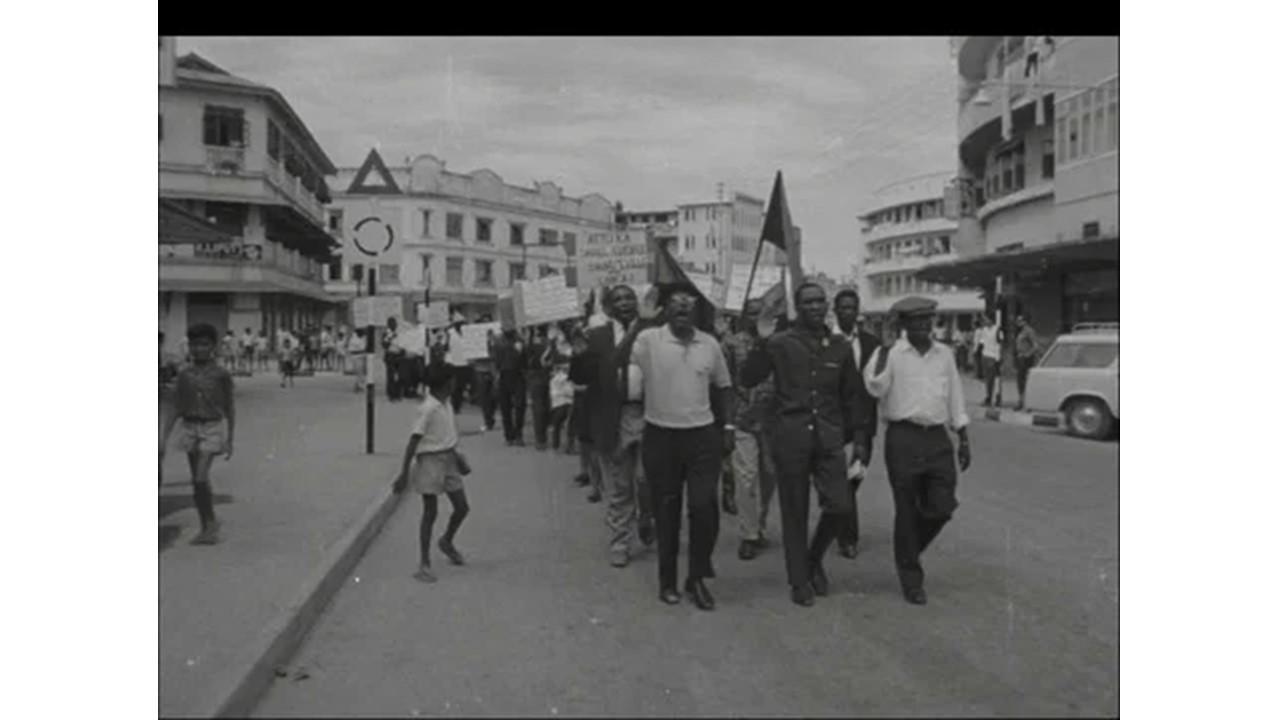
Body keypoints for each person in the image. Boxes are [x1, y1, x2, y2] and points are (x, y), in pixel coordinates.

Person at [741, 283, 870, 607]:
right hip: (791, 437)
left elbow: (853, 397)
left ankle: (813, 559)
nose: (815, 307)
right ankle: (799, 580)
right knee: (794, 512)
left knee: (840, 506)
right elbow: (748, 377)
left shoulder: (839, 346)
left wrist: (861, 441)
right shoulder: (781, 343)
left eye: (819, 301)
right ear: (798, 308)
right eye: (808, 302)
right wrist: (762, 338)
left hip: (829, 439)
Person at [628, 286, 734, 610]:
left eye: (688, 304)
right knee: (667, 512)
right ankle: (668, 580)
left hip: (702, 436)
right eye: (675, 304)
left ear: (697, 311)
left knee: (704, 508)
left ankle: (697, 577)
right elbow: (622, 363)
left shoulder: (710, 344)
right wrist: (640, 322)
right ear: (665, 311)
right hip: (662, 436)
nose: (682, 308)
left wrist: (727, 426)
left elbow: (724, 388)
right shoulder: (649, 341)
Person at [863, 296, 972, 606]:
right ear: (904, 325)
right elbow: (874, 387)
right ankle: (911, 578)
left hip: (937, 438)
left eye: (928, 319)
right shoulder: (891, 354)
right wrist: (884, 348)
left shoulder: (945, 355)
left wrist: (963, 437)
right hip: (903, 437)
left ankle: (907, 552)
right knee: (907, 510)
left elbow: (955, 397)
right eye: (916, 320)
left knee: (943, 506)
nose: (924, 325)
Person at [571, 285, 656, 565]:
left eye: (629, 297)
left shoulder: (654, 332)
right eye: (617, 299)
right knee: (619, 484)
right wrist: (580, 355)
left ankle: (647, 516)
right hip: (613, 417)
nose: (624, 303)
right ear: (608, 307)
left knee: (647, 479)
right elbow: (582, 378)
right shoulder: (596, 337)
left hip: (649, 413)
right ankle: (620, 541)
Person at [392, 366, 472, 583]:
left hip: (449, 458)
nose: (455, 383)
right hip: (430, 461)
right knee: (430, 512)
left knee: (462, 507)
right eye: (453, 380)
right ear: (446, 383)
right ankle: (424, 563)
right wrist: (403, 473)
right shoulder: (427, 409)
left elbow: (448, 434)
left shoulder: (447, 404)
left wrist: (458, 458)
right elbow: (413, 441)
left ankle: (446, 541)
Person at [160, 324, 235, 545]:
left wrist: (230, 438)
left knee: (201, 476)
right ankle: (208, 523)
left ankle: (210, 524)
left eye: (204, 344)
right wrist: (164, 437)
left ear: (213, 346)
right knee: (197, 481)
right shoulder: (185, 375)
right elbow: (175, 406)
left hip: (211, 427)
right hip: (190, 428)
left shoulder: (221, 374)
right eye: (195, 344)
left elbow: (230, 407)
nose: (199, 349)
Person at [721, 298, 778, 562]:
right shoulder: (731, 344)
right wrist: (726, 423)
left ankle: (761, 524)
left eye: (761, 314)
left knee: (769, 476)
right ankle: (749, 534)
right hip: (742, 418)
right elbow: (724, 384)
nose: (756, 319)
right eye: (751, 314)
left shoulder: (779, 342)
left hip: (773, 421)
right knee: (746, 477)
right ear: (743, 316)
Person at [831, 289, 881, 561]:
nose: (848, 312)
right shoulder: (826, 340)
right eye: (843, 308)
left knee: (854, 478)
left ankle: (838, 525)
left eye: (852, 307)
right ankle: (847, 538)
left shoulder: (872, 343)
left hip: (864, 424)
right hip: (835, 423)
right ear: (836, 311)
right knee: (840, 481)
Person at [493, 327, 527, 446]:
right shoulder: (497, 342)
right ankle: (509, 436)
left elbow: (524, 358)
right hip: (504, 374)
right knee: (505, 407)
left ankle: (518, 433)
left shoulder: (520, 341)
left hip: (518, 374)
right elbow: (495, 360)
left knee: (520, 405)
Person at [526, 326, 552, 450]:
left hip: (539, 377)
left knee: (540, 408)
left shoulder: (534, 344)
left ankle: (541, 439)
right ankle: (541, 438)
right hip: (543, 376)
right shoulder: (550, 343)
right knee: (542, 407)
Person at [473, 325, 498, 432]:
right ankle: (488, 421)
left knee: (493, 397)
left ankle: (490, 417)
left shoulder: (495, 343)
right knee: (484, 398)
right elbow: (471, 358)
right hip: (481, 371)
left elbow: (496, 356)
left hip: (492, 371)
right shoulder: (475, 343)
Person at [444, 321, 473, 413]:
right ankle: (455, 406)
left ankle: (462, 402)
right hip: (455, 364)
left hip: (467, 363)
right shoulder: (450, 334)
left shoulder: (469, 335)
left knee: (464, 386)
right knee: (456, 387)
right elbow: (446, 347)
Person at [1013, 314, 1040, 411]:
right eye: (1017, 321)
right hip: (1020, 358)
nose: (1018, 323)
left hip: (1026, 359)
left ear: (1025, 321)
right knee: (1020, 381)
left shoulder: (1029, 331)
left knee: (1026, 381)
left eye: (1020, 321)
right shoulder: (1020, 332)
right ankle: (1021, 401)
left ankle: (1027, 403)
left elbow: (1036, 346)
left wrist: (1027, 354)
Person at [975, 315, 1002, 406]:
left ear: (991, 320)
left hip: (993, 356)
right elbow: (982, 342)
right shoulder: (984, 330)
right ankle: (988, 397)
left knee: (993, 379)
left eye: (986, 319)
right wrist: (978, 352)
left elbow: (1000, 344)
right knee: (987, 379)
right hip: (985, 355)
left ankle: (993, 398)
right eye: (984, 320)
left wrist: (998, 358)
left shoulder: (997, 329)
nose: (985, 321)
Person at [548, 361, 573, 451]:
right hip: (568, 403)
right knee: (569, 425)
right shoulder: (567, 378)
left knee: (556, 425)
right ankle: (569, 446)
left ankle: (555, 445)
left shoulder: (553, 380)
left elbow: (553, 393)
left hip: (557, 404)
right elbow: (571, 392)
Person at [382, 318, 405, 401]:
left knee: (401, 375)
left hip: (399, 356)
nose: (394, 325)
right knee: (391, 376)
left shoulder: (400, 333)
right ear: (388, 325)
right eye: (392, 324)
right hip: (390, 356)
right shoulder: (386, 333)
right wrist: (390, 337)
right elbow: (384, 345)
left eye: (395, 324)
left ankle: (399, 394)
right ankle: (391, 394)